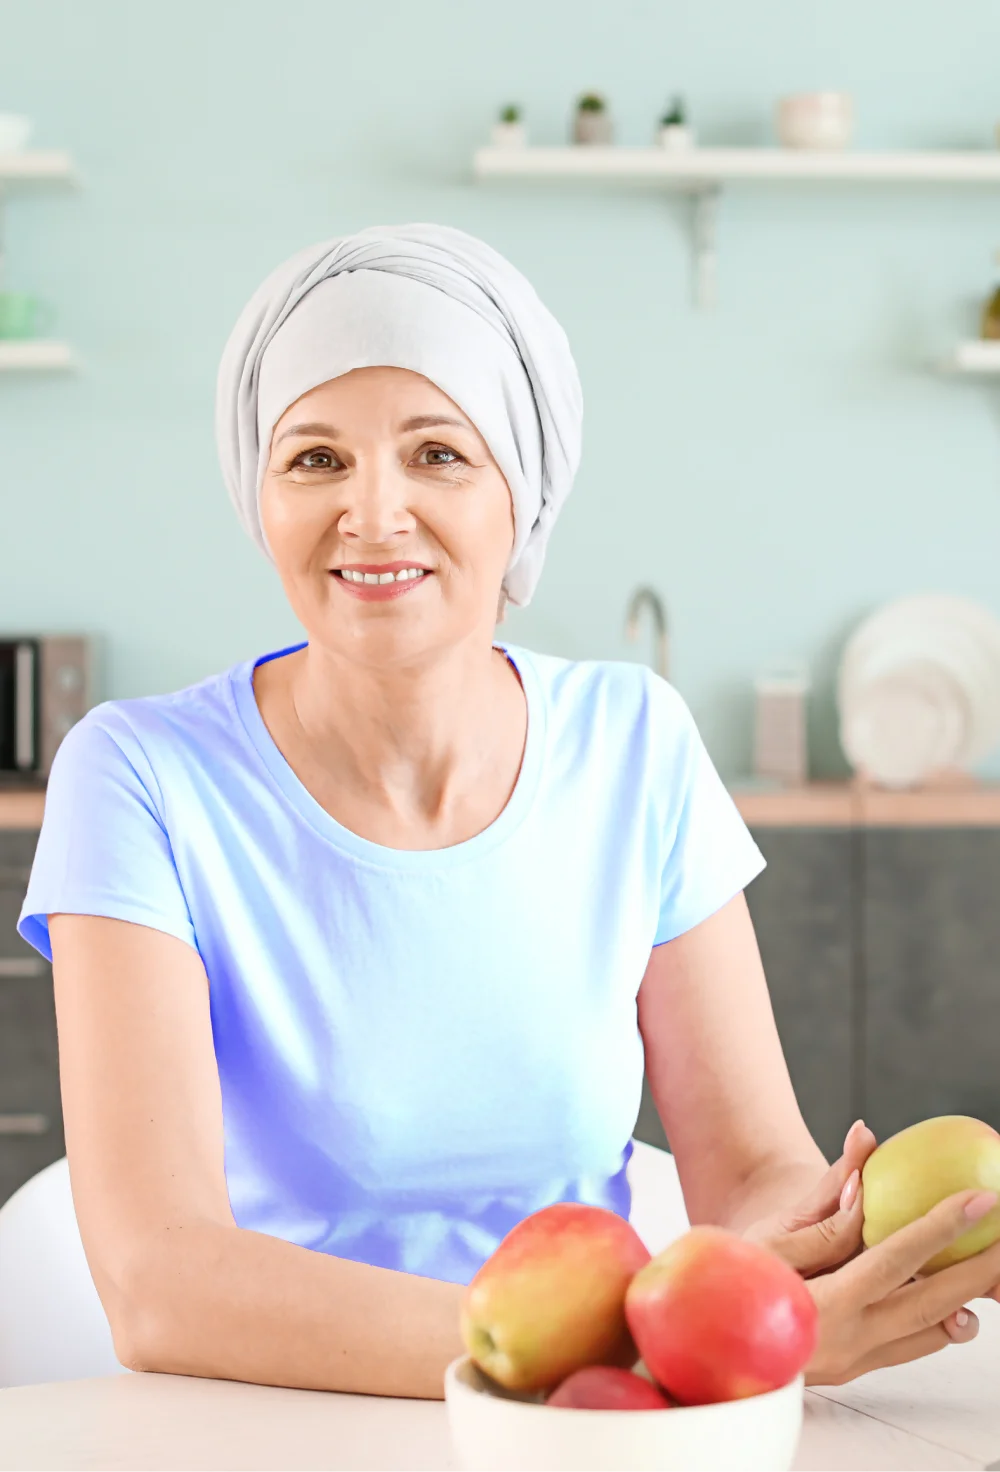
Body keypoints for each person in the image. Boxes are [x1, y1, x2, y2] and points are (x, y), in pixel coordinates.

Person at [19, 224, 1000, 1400]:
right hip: (266, 1413)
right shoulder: (137, 774)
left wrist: (856, 1243)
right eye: (315, 459)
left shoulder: (634, 742)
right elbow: (160, 1279)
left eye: (437, 452)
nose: (372, 514)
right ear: (258, 494)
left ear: (517, 493)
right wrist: (633, 1342)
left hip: (585, 1428)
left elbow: (745, 1175)